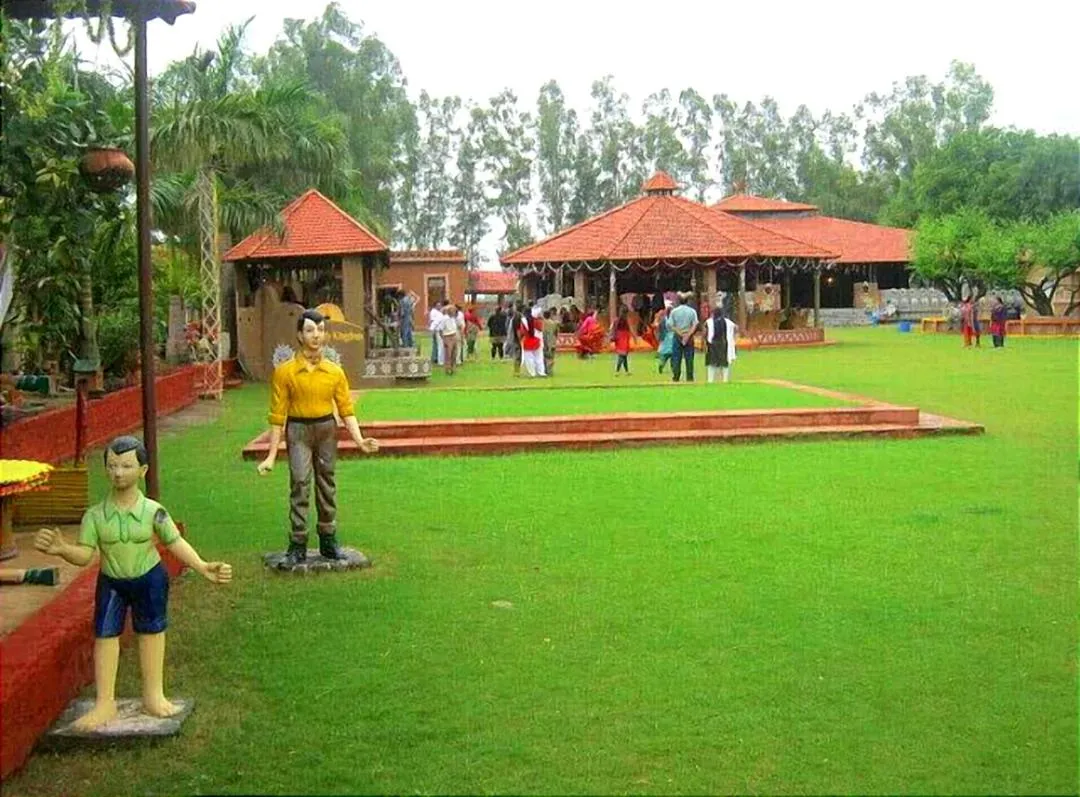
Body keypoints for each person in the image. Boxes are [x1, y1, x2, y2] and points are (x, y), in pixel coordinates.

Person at [34, 436, 233, 731]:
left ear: (143, 470)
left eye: (126, 466)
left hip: (149, 578)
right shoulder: (95, 516)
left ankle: (154, 695)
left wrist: (202, 566)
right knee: (105, 635)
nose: (118, 473)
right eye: (112, 466)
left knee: (152, 631)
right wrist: (62, 549)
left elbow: (174, 541)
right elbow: (85, 554)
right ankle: (105, 702)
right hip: (111, 582)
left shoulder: (154, 512)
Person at [257, 309, 379, 567]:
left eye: (320, 330)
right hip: (298, 430)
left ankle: (328, 538)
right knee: (299, 482)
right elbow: (277, 416)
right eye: (310, 330)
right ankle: (298, 542)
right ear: (299, 335)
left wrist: (359, 440)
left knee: (326, 483)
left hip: (326, 430)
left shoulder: (334, 372)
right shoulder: (286, 372)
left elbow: (346, 409)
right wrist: (270, 456)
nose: (316, 335)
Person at [667, 293, 699, 382]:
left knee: (676, 358)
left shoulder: (674, 311)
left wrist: (680, 334)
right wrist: (687, 335)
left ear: (678, 301)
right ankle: (690, 377)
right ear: (687, 301)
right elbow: (695, 324)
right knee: (689, 358)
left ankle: (676, 377)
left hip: (678, 336)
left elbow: (671, 325)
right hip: (689, 336)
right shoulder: (692, 311)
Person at [705, 305, 737, 383]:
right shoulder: (727, 321)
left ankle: (710, 380)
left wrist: (705, 341)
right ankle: (725, 380)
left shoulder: (709, 321)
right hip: (723, 343)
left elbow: (705, 330)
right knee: (724, 362)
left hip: (713, 344)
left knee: (712, 362)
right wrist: (732, 336)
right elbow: (735, 327)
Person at [520, 305, 546, 377]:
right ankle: (541, 372)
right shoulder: (537, 321)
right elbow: (541, 329)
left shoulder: (523, 321)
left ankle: (532, 373)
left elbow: (522, 331)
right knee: (539, 357)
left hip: (527, 341)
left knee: (529, 358)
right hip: (537, 341)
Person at [611, 305, 632, 375]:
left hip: (620, 338)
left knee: (623, 355)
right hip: (623, 338)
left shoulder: (617, 320)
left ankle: (626, 371)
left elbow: (614, 329)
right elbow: (628, 329)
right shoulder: (623, 320)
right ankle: (617, 371)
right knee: (622, 355)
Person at [440, 303, 461, 375]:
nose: (454, 312)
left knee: (454, 354)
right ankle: (447, 369)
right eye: (453, 311)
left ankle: (453, 368)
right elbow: (440, 329)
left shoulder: (453, 318)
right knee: (448, 354)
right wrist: (444, 339)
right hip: (447, 336)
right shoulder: (444, 319)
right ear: (449, 311)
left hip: (454, 335)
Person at [655, 301, 674, 374]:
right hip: (672, 338)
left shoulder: (663, 320)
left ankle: (662, 364)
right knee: (673, 355)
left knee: (664, 356)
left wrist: (659, 337)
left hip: (665, 338)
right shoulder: (673, 319)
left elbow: (659, 328)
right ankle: (673, 368)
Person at [505, 303, 522, 375]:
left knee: (517, 355)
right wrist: (520, 339)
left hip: (514, 338)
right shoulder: (518, 317)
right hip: (517, 338)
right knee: (518, 355)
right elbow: (517, 329)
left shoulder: (514, 317)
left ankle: (517, 370)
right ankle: (517, 370)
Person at [428, 300, 445, 364]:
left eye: (440, 305)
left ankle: (436, 358)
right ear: (435, 306)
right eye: (438, 305)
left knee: (436, 344)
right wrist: (433, 330)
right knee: (438, 344)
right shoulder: (433, 312)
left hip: (437, 329)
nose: (439, 306)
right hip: (436, 330)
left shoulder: (438, 312)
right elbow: (432, 321)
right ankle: (436, 358)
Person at [542, 308, 558, 376]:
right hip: (552, 341)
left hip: (544, 341)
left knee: (544, 356)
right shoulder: (554, 323)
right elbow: (556, 333)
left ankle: (545, 370)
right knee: (551, 357)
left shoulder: (542, 323)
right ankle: (550, 370)